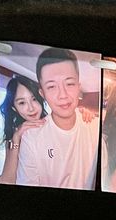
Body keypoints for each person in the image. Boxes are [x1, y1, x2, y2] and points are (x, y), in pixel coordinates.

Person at [16, 48, 100, 190]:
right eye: (51, 86)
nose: (63, 95)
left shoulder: (96, 128)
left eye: (69, 84)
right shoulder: (31, 138)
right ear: (42, 93)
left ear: (78, 87)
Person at [0, 75, 46, 184]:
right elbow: (6, 181)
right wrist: (16, 138)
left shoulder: (52, 124)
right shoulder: (14, 137)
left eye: (34, 99)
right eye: (22, 102)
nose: (31, 108)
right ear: (14, 108)